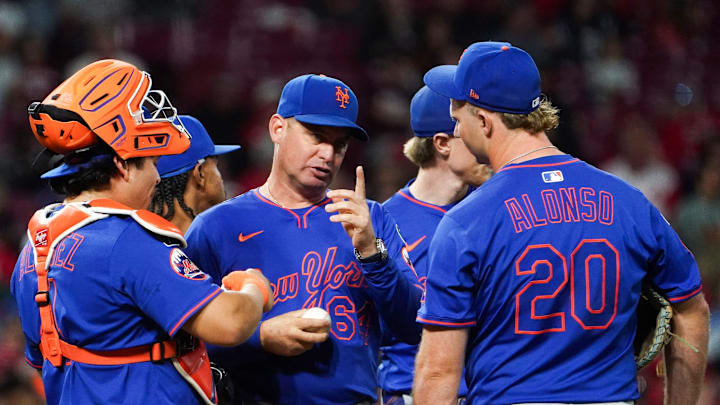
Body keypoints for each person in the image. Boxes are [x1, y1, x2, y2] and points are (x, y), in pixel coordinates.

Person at [412, 41, 709, 405]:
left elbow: (439, 371)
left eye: (459, 118)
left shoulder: (466, 221)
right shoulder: (630, 202)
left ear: (485, 122)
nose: (456, 131)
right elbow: (692, 310)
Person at [10, 59, 273, 405]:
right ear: (121, 164)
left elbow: (42, 358)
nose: (158, 178)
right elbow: (232, 323)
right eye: (151, 162)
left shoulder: (34, 245)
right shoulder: (123, 240)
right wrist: (253, 288)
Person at [184, 73, 422, 405]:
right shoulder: (217, 226)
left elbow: (414, 326)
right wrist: (259, 337)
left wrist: (372, 254)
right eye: (316, 136)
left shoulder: (367, 218)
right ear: (277, 128)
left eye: (339, 144)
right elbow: (182, 341)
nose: (328, 154)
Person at [378, 85, 491, 404]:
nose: (490, 147)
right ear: (442, 143)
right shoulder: (385, 222)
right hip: (410, 393)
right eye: (476, 131)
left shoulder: (496, 212)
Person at [150, 114, 241, 233]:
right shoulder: (217, 244)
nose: (221, 178)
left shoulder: (139, 241)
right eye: (215, 166)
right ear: (200, 174)